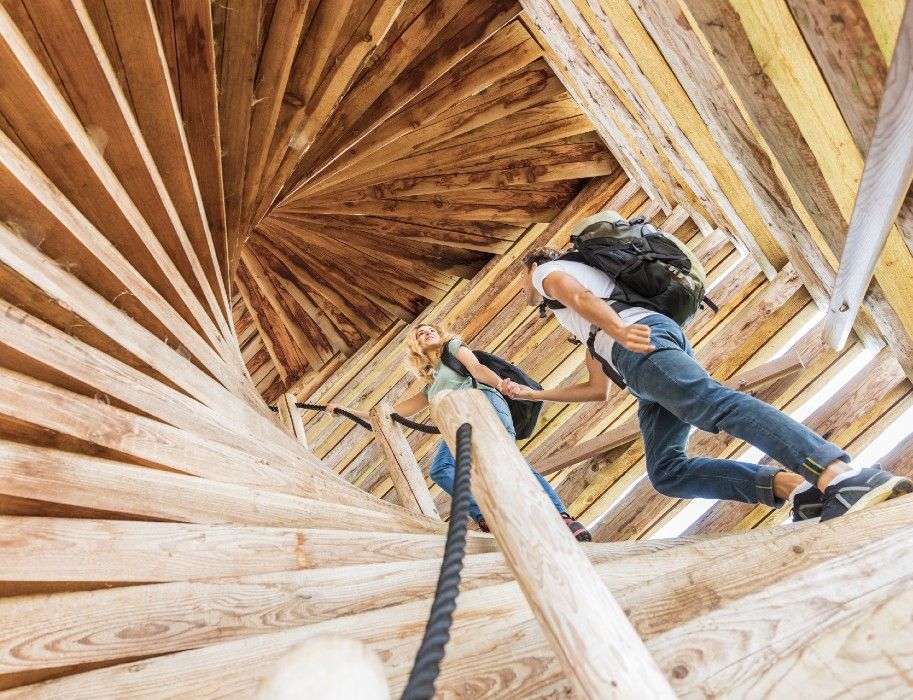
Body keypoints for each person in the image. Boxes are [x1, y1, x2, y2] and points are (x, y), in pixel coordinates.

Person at [505, 215, 912, 523]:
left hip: (636, 339)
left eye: (518, 280)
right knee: (667, 472)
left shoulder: (546, 273)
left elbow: (574, 295)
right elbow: (598, 389)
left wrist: (616, 327)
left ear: (530, 268)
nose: (522, 289)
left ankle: (838, 474)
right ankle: (799, 490)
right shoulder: (582, 316)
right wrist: (531, 394)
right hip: (637, 354)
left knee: (711, 404)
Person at [327, 323, 592, 541]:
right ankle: (488, 518)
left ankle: (561, 517)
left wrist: (501, 384)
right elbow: (393, 411)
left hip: (484, 407)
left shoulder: (453, 348)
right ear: (415, 347)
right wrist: (345, 410)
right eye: (421, 332)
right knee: (441, 469)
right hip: (457, 423)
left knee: (509, 462)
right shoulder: (431, 387)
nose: (428, 332)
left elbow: (477, 369)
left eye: (432, 329)